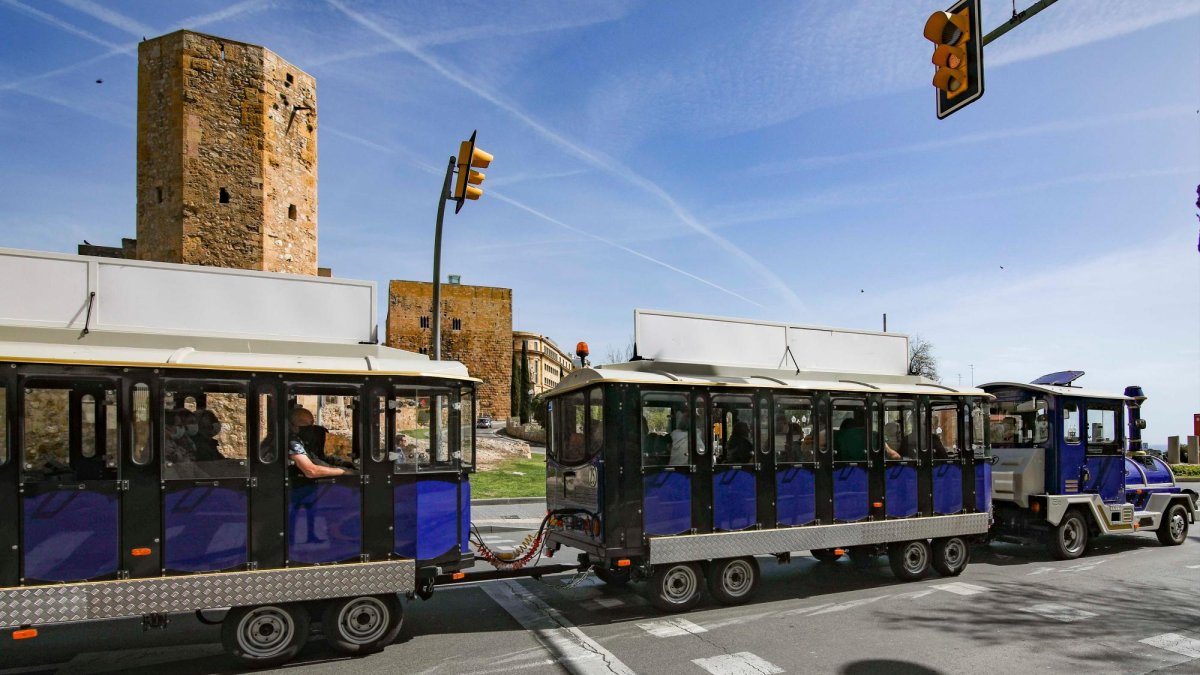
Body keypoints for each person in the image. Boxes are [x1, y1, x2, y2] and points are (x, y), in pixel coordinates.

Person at [288, 407, 351, 478]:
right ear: (292, 426)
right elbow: (311, 471)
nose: (310, 428)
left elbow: (320, 458)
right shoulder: (292, 442)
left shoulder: (308, 440)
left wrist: (344, 464)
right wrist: (345, 472)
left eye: (311, 423)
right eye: (304, 423)